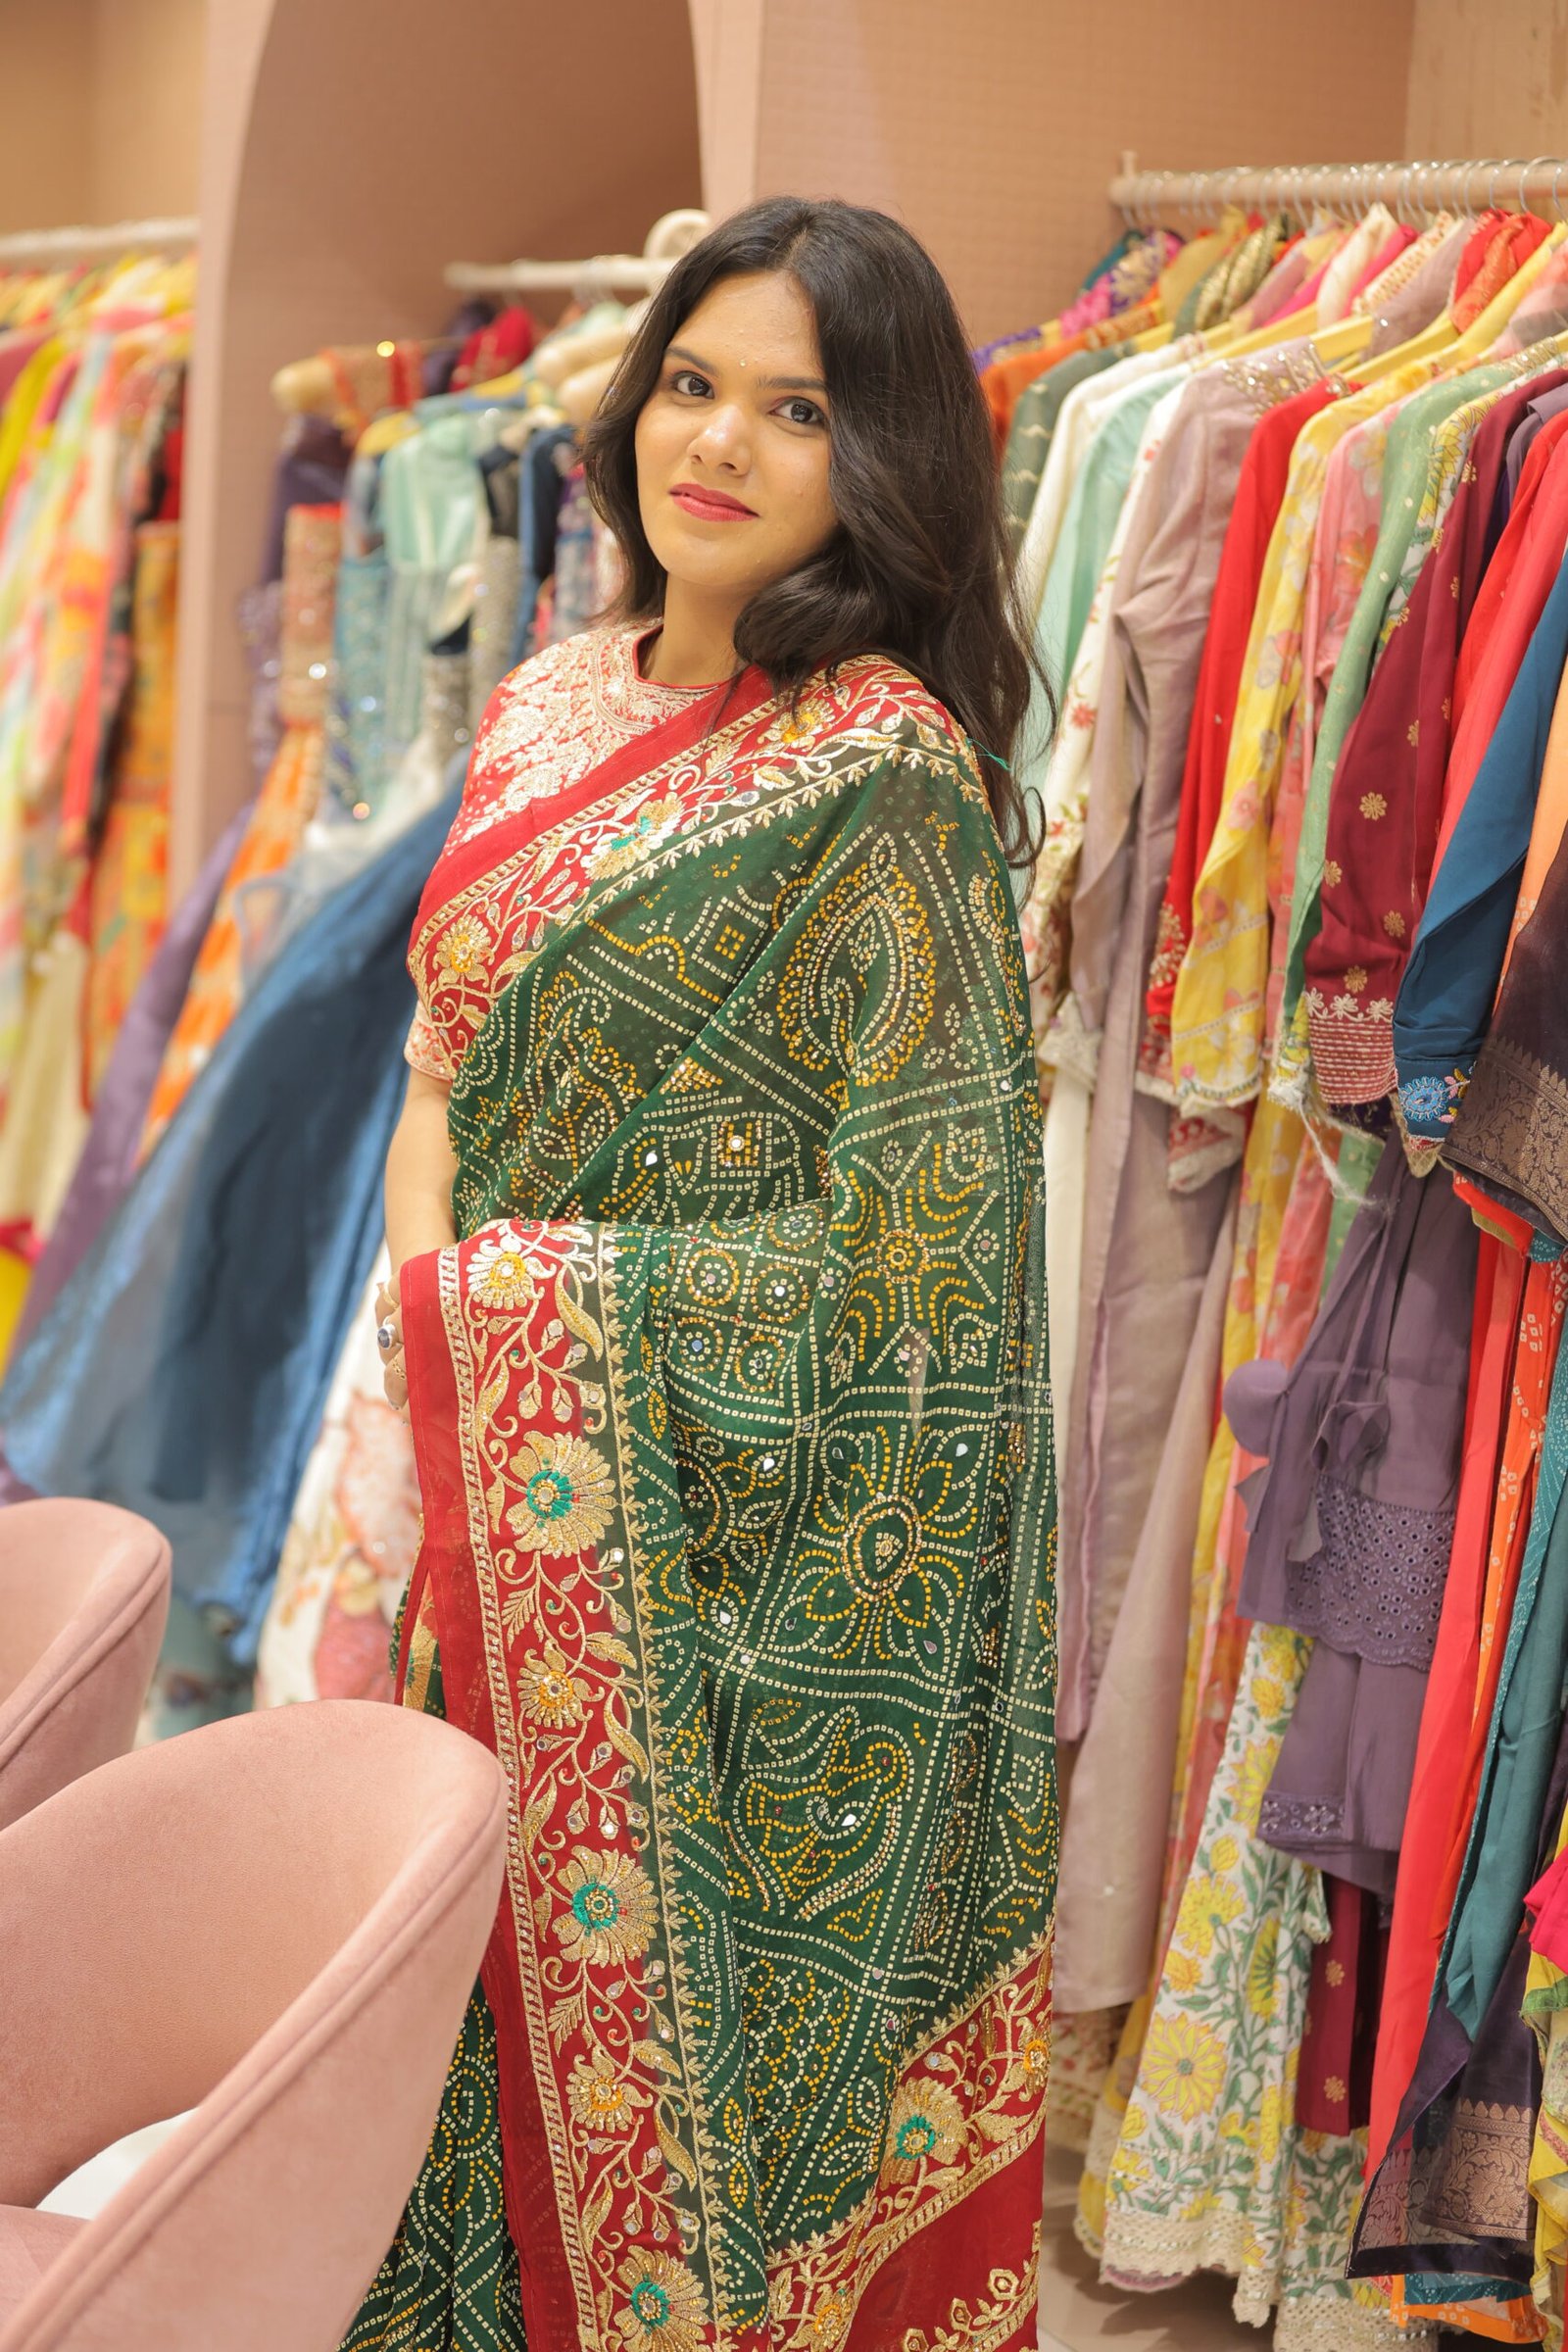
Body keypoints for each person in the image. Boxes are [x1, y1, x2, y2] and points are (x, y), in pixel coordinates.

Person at [350, 196, 1057, 2352]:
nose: (718, 444)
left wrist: (521, 1328)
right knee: (421, 2055)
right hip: (467, 1481)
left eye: (796, 409)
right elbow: (437, 1062)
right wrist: (424, 1361)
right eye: (688, 381)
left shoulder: (885, 784)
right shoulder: (553, 700)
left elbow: (924, 1291)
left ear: (883, 462)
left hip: (722, 1598)